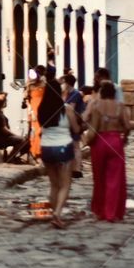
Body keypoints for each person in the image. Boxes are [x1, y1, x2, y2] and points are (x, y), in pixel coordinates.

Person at [37, 73, 81, 229]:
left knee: (54, 184)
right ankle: (57, 213)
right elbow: (76, 129)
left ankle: (54, 212)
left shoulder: (42, 110)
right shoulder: (66, 109)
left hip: (46, 148)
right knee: (65, 184)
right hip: (63, 148)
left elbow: (42, 128)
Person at [83, 80, 130, 221]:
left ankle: (100, 211)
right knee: (114, 179)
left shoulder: (96, 105)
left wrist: (86, 139)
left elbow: (89, 123)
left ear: (102, 92)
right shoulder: (120, 106)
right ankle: (111, 212)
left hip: (99, 142)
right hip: (115, 141)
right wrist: (125, 138)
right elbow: (127, 126)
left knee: (99, 178)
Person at [0, 94, 29, 163]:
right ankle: (10, 158)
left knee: (25, 139)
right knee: (22, 140)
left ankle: (14, 157)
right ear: (3, 103)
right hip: (1, 139)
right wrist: (15, 135)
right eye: (6, 101)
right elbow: (4, 129)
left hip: (2, 138)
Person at [61, 74, 85, 179]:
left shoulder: (75, 94)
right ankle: (71, 168)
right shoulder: (66, 93)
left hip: (74, 122)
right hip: (67, 123)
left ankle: (77, 169)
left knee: (75, 146)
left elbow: (70, 108)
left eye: (63, 82)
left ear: (67, 83)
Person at [24, 65, 47, 160]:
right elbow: (26, 99)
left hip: (43, 109)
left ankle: (41, 151)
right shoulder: (30, 84)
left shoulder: (45, 83)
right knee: (36, 131)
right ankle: (35, 152)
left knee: (42, 130)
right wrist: (31, 111)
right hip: (33, 109)